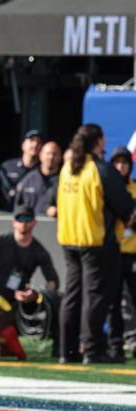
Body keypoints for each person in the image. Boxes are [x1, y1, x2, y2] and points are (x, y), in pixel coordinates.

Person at [57, 124, 133, 364]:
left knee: (72, 296)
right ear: (98, 142)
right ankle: (92, 350)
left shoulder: (68, 168)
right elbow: (124, 206)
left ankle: (67, 351)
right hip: (95, 241)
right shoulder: (100, 169)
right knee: (95, 297)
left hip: (69, 240)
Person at [0, 205, 60, 355]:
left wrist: (36, 294)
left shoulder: (39, 251)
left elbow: (53, 281)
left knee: (58, 300)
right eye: (20, 218)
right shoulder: (0, 240)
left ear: (34, 222)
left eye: (27, 219)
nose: (23, 222)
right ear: (13, 222)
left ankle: (59, 347)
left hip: (18, 302)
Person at [108, 147, 136, 362]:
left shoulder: (135, 188)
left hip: (133, 252)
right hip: (114, 252)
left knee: (133, 300)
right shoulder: (107, 189)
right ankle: (115, 344)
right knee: (113, 301)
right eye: (117, 162)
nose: (121, 166)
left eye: (125, 162)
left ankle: (133, 340)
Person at [0, 130, 41, 211]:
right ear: (23, 145)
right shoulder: (7, 167)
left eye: (39, 142)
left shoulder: (42, 170)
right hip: (5, 215)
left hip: (34, 217)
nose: (35, 144)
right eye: (32, 141)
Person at [15, 140, 62, 215]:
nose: (51, 157)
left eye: (55, 154)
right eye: (48, 153)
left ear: (60, 157)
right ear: (40, 155)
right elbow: (18, 206)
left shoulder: (63, 180)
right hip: (30, 224)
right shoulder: (29, 179)